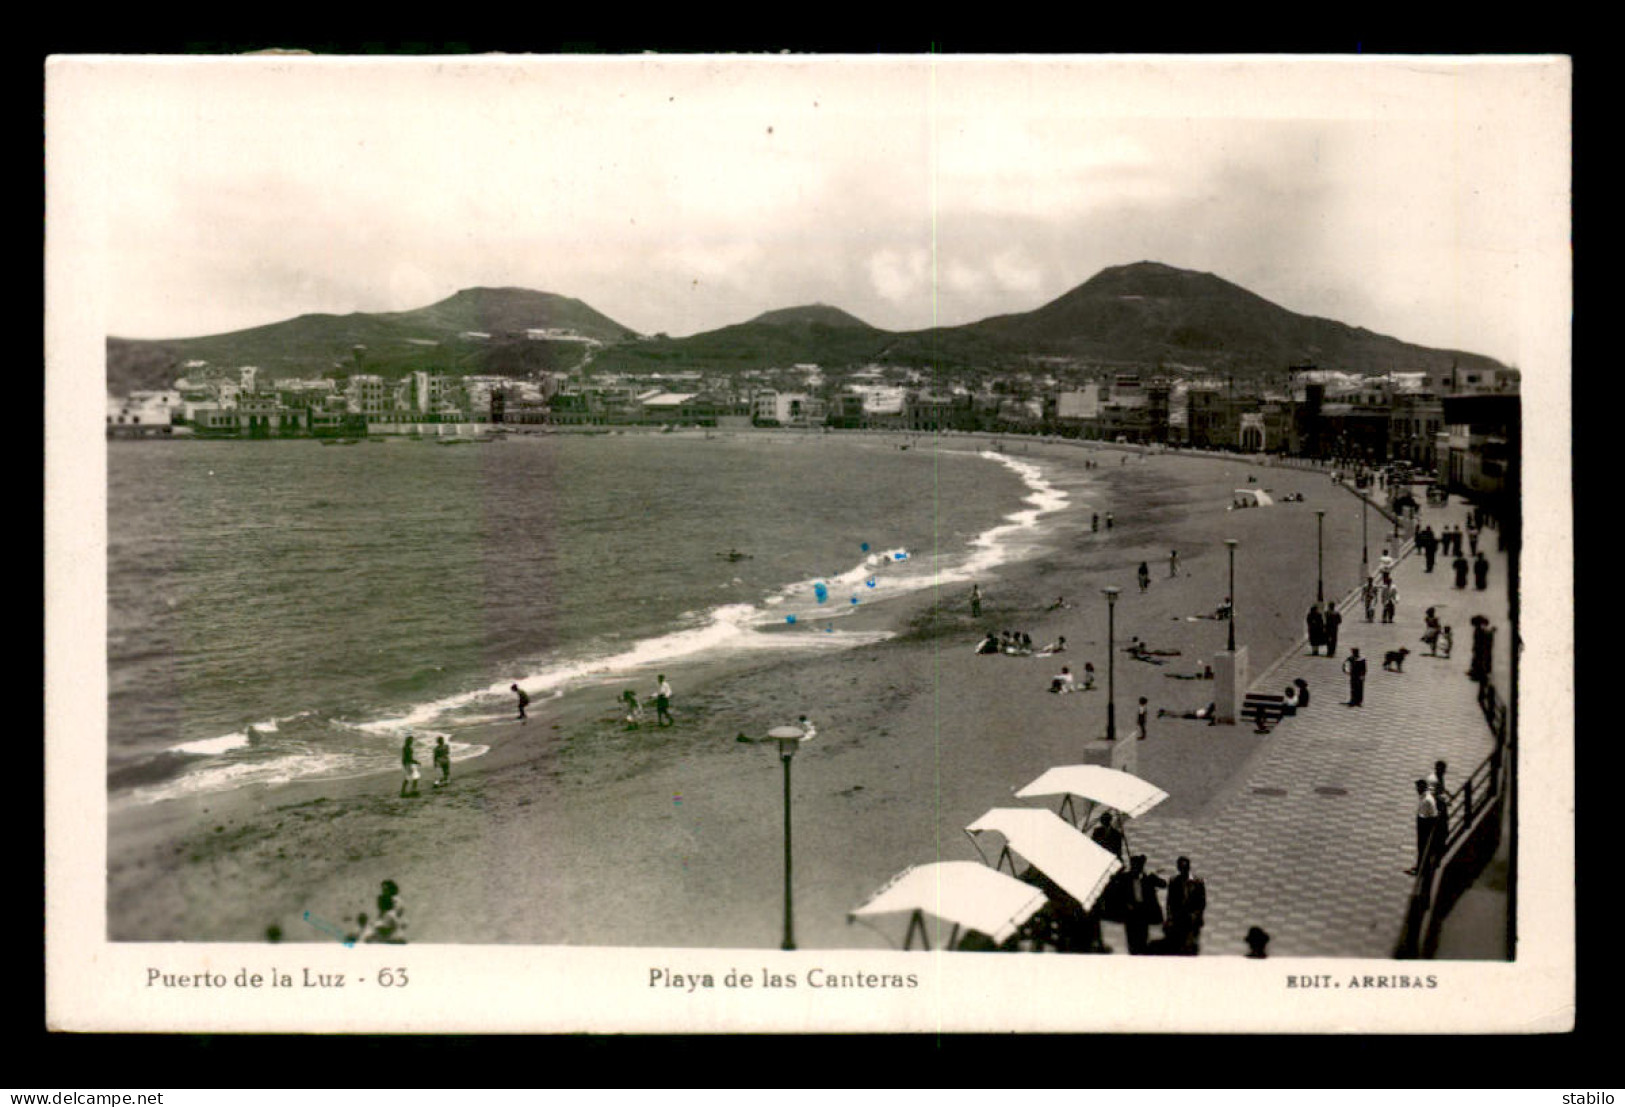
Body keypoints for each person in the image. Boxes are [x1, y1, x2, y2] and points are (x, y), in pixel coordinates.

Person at [1123, 855, 1167, 955]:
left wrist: (1153, 877)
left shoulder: (1147, 878)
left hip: (1143, 914)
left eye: (1138, 867)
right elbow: (1119, 895)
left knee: (1143, 939)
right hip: (1131, 916)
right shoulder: (1125, 878)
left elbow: (1163, 884)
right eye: (1134, 867)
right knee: (1132, 942)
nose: (1135, 869)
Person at [1164, 856, 1207, 954]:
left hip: (1192, 919)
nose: (1183, 870)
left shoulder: (1197, 882)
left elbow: (1202, 901)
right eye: (1181, 868)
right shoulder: (1174, 881)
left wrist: (1196, 914)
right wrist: (1169, 917)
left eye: (1185, 868)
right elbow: (1170, 901)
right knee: (1179, 945)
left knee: (1191, 945)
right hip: (1178, 918)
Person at [1407, 778, 1440, 875]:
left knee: (1422, 847)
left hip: (1425, 825)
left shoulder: (1426, 800)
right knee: (1422, 848)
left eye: (1418, 788)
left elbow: (1423, 817)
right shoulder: (1426, 796)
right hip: (1427, 822)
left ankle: (1421, 869)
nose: (1417, 790)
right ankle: (1421, 866)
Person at [360, 880, 406, 944]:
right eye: (383, 889)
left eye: (385, 889)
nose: (383, 891)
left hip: (392, 931)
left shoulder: (396, 900)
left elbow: (395, 914)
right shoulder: (386, 900)